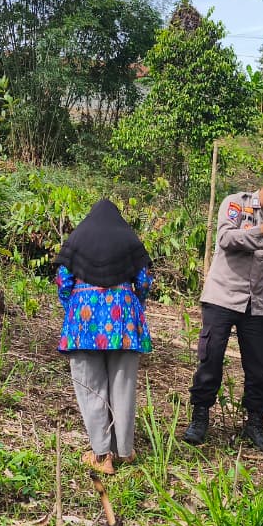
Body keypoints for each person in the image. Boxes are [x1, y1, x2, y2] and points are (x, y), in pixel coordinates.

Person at [183, 162, 263, 452]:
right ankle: (200, 418)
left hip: (256, 304)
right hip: (222, 298)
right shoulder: (236, 205)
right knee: (210, 359)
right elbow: (226, 239)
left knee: (259, 366)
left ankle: (254, 422)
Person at [55, 199, 153, 475]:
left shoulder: (77, 239)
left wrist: (74, 306)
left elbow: (63, 280)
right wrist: (133, 304)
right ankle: (124, 451)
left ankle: (101, 456)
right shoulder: (129, 240)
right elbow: (144, 281)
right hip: (123, 319)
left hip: (83, 320)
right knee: (123, 386)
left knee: (90, 386)